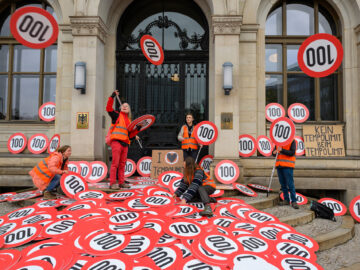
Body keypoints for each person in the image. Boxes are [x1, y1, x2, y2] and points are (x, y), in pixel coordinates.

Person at [106, 90, 139, 189]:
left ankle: (121, 182)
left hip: (125, 144)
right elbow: (108, 108)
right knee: (115, 164)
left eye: (127, 106)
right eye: (123, 105)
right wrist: (112, 96)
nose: (125, 106)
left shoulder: (129, 121)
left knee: (122, 165)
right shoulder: (116, 115)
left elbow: (131, 136)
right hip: (116, 142)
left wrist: (138, 129)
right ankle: (112, 183)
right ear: (120, 108)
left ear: (129, 110)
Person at [273, 139, 299, 209]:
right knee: (283, 184)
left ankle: (294, 201)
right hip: (279, 165)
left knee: (290, 184)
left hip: (288, 166)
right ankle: (286, 199)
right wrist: (274, 152)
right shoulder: (277, 141)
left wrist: (281, 150)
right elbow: (274, 153)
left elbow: (292, 152)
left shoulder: (292, 141)